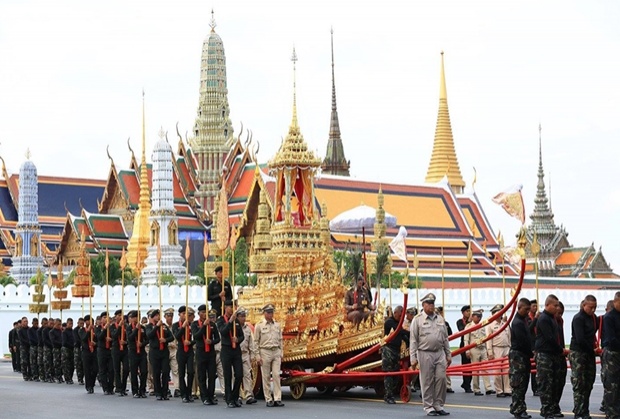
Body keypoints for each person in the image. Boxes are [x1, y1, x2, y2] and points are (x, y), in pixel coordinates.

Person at [409, 293, 451, 416]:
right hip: (425, 353)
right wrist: (413, 358)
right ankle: (429, 406)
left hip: (439, 353)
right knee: (427, 381)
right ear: (423, 305)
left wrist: (448, 354)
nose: (431, 306)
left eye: (433, 303)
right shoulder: (417, 320)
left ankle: (438, 404)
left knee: (441, 379)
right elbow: (413, 340)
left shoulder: (440, 319)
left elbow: (445, 338)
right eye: (429, 303)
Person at [535, 294, 569, 419]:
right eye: (554, 306)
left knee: (555, 383)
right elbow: (550, 338)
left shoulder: (553, 319)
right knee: (546, 384)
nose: (556, 308)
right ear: (547, 305)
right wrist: (561, 350)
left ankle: (553, 407)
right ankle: (546, 410)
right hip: (545, 355)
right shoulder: (544, 319)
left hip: (553, 355)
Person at [569, 295, 598, 419]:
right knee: (579, 384)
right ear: (584, 305)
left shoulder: (594, 318)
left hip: (589, 353)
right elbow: (580, 339)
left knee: (589, 383)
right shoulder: (578, 318)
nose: (593, 310)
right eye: (591, 307)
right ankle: (579, 411)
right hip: (579, 353)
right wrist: (592, 350)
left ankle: (584, 410)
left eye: (595, 307)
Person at [255, 303, 284, 407]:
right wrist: (257, 356)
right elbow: (255, 342)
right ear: (264, 313)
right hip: (265, 351)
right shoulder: (259, 325)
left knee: (276, 375)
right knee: (266, 376)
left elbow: (280, 339)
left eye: (271, 312)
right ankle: (268, 398)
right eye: (268, 312)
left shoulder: (277, 325)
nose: (270, 314)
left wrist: (281, 353)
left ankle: (278, 398)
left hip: (275, 350)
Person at [217, 301, 245, 408]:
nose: (232, 309)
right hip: (226, 349)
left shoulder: (237, 321)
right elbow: (223, 332)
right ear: (226, 308)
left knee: (239, 375)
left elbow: (242, 336)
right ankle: (229, 399)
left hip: (236, 350)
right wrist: (230, 322)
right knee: (227, 375)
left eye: (234, 307)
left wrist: (238, 339)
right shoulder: (221, 320)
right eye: (230, 307)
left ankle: (235, 396)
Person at [509, 298, 533, 419]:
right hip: (518, 356)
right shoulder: (517, 322)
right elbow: (522, 341)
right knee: (518, 384)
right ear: (519, 307)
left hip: (523, 355)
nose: (528, 312)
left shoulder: (523, 320)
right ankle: (518, 409)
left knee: (523, 384)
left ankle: (517, 406)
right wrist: (531, 352)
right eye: (526, 309)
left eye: (529, 309)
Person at [192, 305, 221, 406]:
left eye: (206, 312)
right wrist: (204, 326)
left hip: (211, 352)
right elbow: (196, 336)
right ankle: (204, 397)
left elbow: (218, 338)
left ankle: (211, 395)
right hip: (201, 352)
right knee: (202, 375)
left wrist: (211, 341)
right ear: (199, 313)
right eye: (203, 312)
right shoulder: (195, 324)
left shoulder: (212, 324)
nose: (205, 314)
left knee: (212, 376)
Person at [146, 309, 174, 401]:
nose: (158, 317)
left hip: (164, 351)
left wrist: (165, 340)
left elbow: (171, 337)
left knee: (165, 372)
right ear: (152, 317)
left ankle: (165, 392)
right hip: (155, 351)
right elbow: (149, 335)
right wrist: (156, 327)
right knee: (156, 372)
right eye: (156, 316)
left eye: (159, 315)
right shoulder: (149, 326)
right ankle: (158, 392)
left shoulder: (164, 326)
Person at [382, 305, 408, 404]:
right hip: (388, 350)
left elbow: (402, 336)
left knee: (396, 373)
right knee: (389, 373)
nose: (402, 317)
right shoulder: (389, 322)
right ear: (395, 313)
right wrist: (409, 333)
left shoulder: (398, 323)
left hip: (396, 350)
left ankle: (391, 393)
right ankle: (388, 396)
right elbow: (399, 331)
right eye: (401, 314)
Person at [464, 309, 494, 396]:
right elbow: (466, 339)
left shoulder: (482, 325)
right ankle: (476, 389)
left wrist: (488, 350)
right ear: (473, 317)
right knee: (475, 371)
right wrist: (467, 350)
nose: (479, 318)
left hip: (483, 349)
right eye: (477, 316)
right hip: (474, 349)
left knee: (485, 369)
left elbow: (486, 337)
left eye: (480, 317)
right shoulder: (469, 326)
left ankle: (488, 388)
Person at [601, 291, 620, 419]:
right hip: (613, 353)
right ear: (615, 302)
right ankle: (611, 412)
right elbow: (611, 339)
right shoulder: (609, 317)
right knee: (612, 385)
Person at [486, 304, 511, 397]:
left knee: (506, 370)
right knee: (497, 371)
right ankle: (499, 390)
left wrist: (510, 347)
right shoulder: (490, 325)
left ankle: (507, 389)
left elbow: (509, 336)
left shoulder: (505, 323)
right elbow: (489, 339)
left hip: (506, 348)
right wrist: (490, 352)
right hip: (496, 348)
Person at [173, 305, 196, 403]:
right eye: (183, 314)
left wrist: (190, 343)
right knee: (181, 373)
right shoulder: (176, 325)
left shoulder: (192, 325)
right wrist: (183, 327)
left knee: (191, 372)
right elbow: (177, 336)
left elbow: (196, 338)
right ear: (179, 315)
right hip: (181, 350)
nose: (185, 316)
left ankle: (189, 391)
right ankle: (183, 393)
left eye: (187, 314)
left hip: (190, 350)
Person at [238, 306, 258, 404]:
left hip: (245, 354)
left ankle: (249, 395)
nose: (243, 318)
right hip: (235, 355)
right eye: (241, 316)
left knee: (247, 375)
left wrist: (253, 355)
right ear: (237, 317)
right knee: (236, 376)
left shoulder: (247, 329)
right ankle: (237, 395)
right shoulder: (234, 327)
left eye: (244, 316)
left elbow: (251, 343)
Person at [126, 310, 148, 398]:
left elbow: (147, 339)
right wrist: (135, 329)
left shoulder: (143, 328)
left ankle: (142, 389)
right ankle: (135, 390)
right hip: (133, 351)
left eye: (136, 317)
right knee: (134, 372)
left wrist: (142, 344)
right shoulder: (129, 328)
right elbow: (130, 338)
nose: (135, 319)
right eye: (133, 317)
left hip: (142, 352)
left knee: (144, 371)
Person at [110, 309, 129, 396]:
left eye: (121, 315)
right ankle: (118, 387)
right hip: (116, 349)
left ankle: (123, 387)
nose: (120, 317)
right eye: (118, 316)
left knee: (126, 369)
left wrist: (125, 342)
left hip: (124, 350)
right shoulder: (113, 326)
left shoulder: (126, 326)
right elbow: (114, 336)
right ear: (116, 317)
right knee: (116, 369)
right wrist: (119, 327)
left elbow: (130, 338)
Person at [79, 314, 98, 394]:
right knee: (87, 370)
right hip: (86, 351)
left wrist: (95, 343)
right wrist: (88, 331)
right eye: (88, 321)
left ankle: (92, 383)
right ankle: (88, 386)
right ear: (85, 322)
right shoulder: (82, 330)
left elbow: (99, 339)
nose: (90, 323)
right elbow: (83, 338)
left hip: (94, 351)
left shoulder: (95, 330)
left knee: (95, 369)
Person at [436, 306, 454, 393]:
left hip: (442, 349)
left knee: (445, 368)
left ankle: (447, 385)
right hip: (430, 350)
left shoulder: (444, 323)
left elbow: (449, 334)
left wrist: (448, 354)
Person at [96, 311, 114, 394]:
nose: (106, 319)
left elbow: (115, 336)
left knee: (111, 369)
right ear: (101, 319)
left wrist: (111, 339)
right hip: (102, 350)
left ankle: (111, 387)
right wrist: (104, 329)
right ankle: (105, 388)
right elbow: (99, 337)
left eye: (107, 317)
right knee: (102, 370)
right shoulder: (98, 328)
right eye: (104, 318)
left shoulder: (111, 327)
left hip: (110, 350)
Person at [163, 308, 180, 398]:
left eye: (171, 316)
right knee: (165, 370)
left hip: (174, 350)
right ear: (165, 316)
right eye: (168, 316)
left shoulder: (174, 326)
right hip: (165, 349)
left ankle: (177, 388)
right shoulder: (163, 326)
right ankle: (166, 389)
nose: (170, 317)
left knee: (176, 370)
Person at [456, 305, 473, 393]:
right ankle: (467, 384)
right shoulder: (460, 322)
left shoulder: (473, 321)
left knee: (471, 367)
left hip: (471, 344)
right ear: (463, 312)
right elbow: (461, 331)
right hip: (463, 345)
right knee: (466, 366)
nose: (469, 313)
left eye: (469, 311)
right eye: (467, 311)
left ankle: (467, 383)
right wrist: (468, 324)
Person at [527, 299, 539, 396]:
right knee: (533, 369)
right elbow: (529, 329)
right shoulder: (527, 318)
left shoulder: (539, 317)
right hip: (531, 345)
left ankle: (538, 387)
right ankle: (534, 388)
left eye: (536, 306)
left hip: (537, 344)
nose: (535, 308)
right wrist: (535, 319)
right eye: (533, 306)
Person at [61, 317, 75, 384]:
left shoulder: (73, 331)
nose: (71, 325)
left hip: (72, 349)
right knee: (66, 365)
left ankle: (70, 377)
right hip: (66, 349)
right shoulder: (64, 332)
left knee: (72, 365)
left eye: (72, 324)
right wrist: (72, 345)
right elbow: (64, 342)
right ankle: (67, 378)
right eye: (69, 323)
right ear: (67, 324)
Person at [18, 317, 31, 381]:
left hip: (29, 347)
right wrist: (28, 342)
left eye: (26, 321)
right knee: (24, 362)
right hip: (23, 347)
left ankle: (30, 374)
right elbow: (21, 340)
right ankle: (25, 374)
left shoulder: (29, 329)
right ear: (22, 322)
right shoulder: (20, 330)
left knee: (30, 361)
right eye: (24, 321)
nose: (26, 323)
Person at [28, 317, 40, 382]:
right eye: (35, 323)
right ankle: (33, 375)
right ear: (32, 323)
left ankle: (38, 375)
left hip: (38, 347)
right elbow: (31, 339)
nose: (36, 324)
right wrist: (37, 342)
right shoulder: (30, 330)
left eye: (37, 323)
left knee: (38, 362)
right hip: (33, 347)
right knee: (33, 362)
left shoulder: (39, 330)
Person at [73, 318, 85, 385]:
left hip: (83, 348)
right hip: (77, 348)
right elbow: (76, 339)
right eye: (80, 323)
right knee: (78, 364)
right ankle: (80, 378)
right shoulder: (75, 330)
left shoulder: (84, 329)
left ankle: (82, 377)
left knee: (83, 364)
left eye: (83, 323)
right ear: (78, 323)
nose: (82, 325)